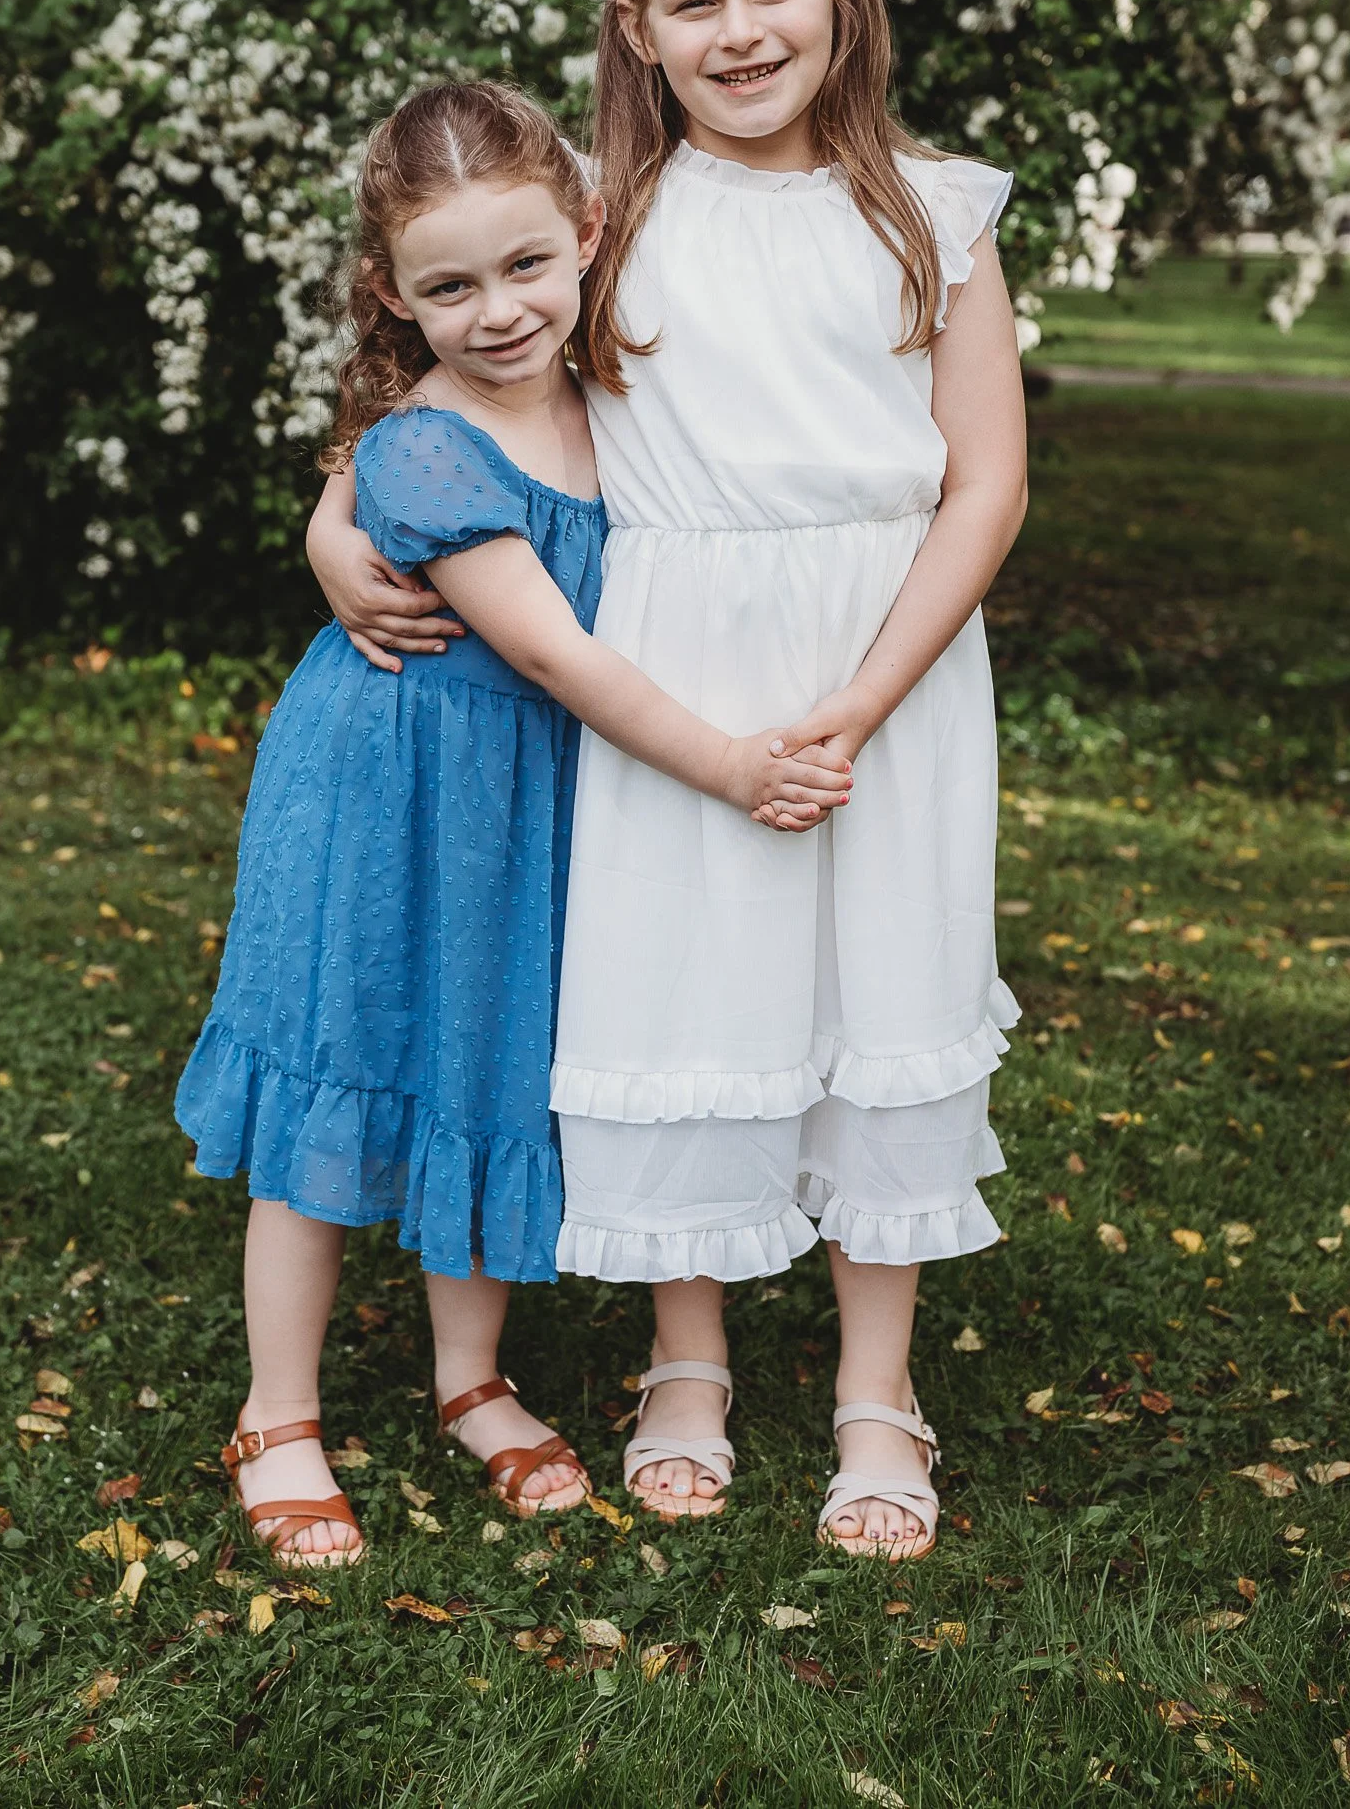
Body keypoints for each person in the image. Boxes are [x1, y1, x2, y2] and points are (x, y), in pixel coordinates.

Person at [309, 0, 1028, 1562]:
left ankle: (876, 1390)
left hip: (892, 668)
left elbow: (985, 487)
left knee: (886, 995)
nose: (740, 28)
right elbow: (433, 400)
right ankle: (684, 1362)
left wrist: (859, 705)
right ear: (634, 26)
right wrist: (332, 523)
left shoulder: (938, 212)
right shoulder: (603, 224)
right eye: (693, 0)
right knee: (687, 997)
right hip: (674, 659)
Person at [178, 76, 848, 1566]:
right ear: (390, 297)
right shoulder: (424, 450)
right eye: (449, 286)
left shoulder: (619, 395)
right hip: (387, 789)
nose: (496, 310)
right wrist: (734, 768)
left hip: (528, 793)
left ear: (589, 233)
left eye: (527, 265)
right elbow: (551, 649)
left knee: (487, 1062)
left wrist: (319, 522)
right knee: (343, 1064)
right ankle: (275, 1411)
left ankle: (466, 1378)